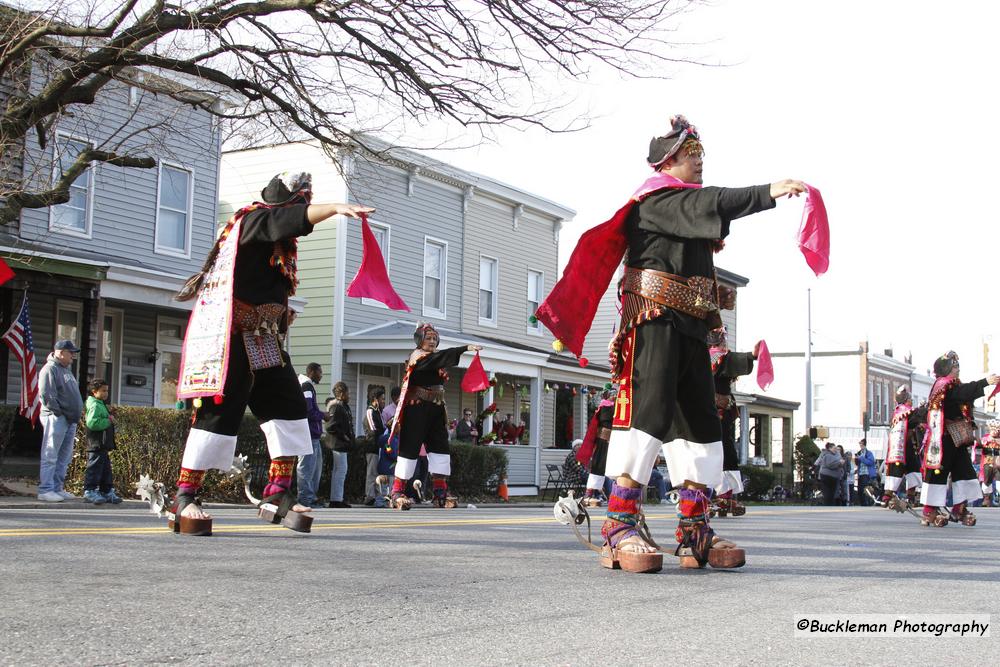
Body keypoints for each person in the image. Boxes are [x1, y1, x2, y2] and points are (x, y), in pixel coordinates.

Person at [535, 115, 806, 572]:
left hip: (691, 327)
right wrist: (766, 192)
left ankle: (693, 528)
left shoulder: (685, 204)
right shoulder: (655, 201)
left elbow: (707, 214)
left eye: (701, 157)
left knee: (700, 421)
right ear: (668, 161)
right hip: (654, 321)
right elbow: (712, 204)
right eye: (691, 157)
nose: (699, 165)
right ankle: (619, 523)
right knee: (649, 413)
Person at [170, 171, 373, 534]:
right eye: (303, 204)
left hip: (264, 340)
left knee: (290, 411)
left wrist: (279, 313)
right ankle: (185, 495)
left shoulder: (277, 242)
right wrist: (333, 209)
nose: (305, 210)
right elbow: (282, 222)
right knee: (219, 413)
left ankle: (277, 491)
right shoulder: (253, 220)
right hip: (232, 338)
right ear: (288, 204)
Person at [387, 322, 482, 509]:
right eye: (428, 338)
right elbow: (439, 358)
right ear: (419, 340)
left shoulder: (433, 357)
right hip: (417, 408)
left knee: (440, 448)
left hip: (436, 408)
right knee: (409, 448)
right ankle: (397, 492)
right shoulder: (418, 357)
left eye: (434, 339)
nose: (431, 341)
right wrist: (464, 348)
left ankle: (440, 492)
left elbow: (439, 359)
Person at [919, 352, 999, 527]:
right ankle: (929, 509)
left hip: (957, 438)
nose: (958, 369)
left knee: (964, 471)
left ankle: (959, 507)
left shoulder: (952, 384)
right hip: (944, 439)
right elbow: (962, 394)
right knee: (939, 472)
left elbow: (964, 395)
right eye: (955, 366)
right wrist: (985, 382)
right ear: (946, 369)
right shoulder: (944, 385)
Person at [707, 327, 758, 517]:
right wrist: (752, 356)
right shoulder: (716, 356)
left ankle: (714, 496)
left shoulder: (698, 357)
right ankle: (722, 496)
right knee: (723, 450)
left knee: (714, 450)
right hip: (715, 411)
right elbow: (731, 362)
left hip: (706, 410)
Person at [37, 339, 84, 502]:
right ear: (61, 352)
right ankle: (45, 490)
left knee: (64, 456)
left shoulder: (66, 370)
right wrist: (58, 413)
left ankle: (57, 488)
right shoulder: (50, 369)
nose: (73, 356)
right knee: (50, 454)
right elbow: (47, 395)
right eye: (71, 352)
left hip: (69, 419)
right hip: (56, 418)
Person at [881, 387, 926, 510]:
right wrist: (925, 409)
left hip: (910, 446)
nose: (911, 401)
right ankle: (887, 497)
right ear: (906, 400)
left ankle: (910, 496)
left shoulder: (904, 411)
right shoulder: (903, 411)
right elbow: (916, 417)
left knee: (914, 470)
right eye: (910, 399)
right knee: (896, 471)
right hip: (901, 448)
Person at [82, 379, 122, 504]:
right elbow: (92, 423)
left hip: (102, 444)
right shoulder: (94, 405)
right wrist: (108, 421)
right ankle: (90, 491)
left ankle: (106, 490)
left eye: (107, 391)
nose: (106, 393)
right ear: (94, 392)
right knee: (94, 468)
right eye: (103, 391)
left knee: (105, 469)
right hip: (96, 443)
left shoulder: (99, 403)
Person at [577, 390, 615, 507]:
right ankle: (589, 494)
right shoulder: (605, 407)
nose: (615, 397)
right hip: (603, 441)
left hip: (613, 441)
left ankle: (615, 495)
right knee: (598, 466)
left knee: (615, 469)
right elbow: (606, 419)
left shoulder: (614, 408)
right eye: (613, 395)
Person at [296, 362, 324, 508]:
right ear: (312, 372)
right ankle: (305, 498)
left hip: (314, 435)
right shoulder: (306, 386)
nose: (321, 375)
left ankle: (311, 496)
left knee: (315, 468)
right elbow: (308, 410)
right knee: (306, 467)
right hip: (307, 433)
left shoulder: (308, 386)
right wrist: (323, 415)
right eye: (320, 372)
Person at [325, 381, 355, 508]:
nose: (349, 395)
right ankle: (336, 500)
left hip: (342, 445)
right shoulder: (336, 407)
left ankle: (338, 497)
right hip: (337, 444)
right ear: (341, 394)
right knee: (340, 471)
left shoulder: (343, 406)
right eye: (348, 393)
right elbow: (330, 426)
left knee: (341, 471)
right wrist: (344, 436)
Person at [363, 387, 387, 506]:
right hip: (372, 446)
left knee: (378, 473)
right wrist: (383, 431)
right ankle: (369, 496)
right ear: (375, 399)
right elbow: (373, 430)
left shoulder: (379, 413)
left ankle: (379, 496)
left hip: (380, 447)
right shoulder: (370, 411)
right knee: (372, 473)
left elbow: (382, 428)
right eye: (382, 399)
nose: (383, 401)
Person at [814, 442, 844, 506]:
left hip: (833, 477)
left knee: (832, 491)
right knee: (828, 491)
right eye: (834, 448)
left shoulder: (836, 454)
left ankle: (830, 504)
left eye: (836, 448)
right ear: (830, 448)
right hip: (827, 476)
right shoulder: (827, 455)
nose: (836, 449)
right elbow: (830, 465)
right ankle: (828, 504)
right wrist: (839, 463)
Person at [979, 420, 1000, 507]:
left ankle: (998, 496)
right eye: (993, 429)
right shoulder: (985, 438)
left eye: (997, 430)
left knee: (999, 479)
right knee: (987, 480)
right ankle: (986, 498)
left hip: (998, 462)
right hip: (988, 462)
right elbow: (980, 443)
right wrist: (988, 440)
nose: (995, 431)